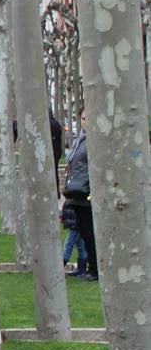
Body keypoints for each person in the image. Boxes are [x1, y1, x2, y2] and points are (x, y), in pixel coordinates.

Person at [62, 110, 98, 281]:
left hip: (87, 192)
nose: (86, 122)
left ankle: (95, 268)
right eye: (83, 118)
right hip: (76, 193)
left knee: (89, 233)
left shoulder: (94, 141)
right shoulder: (79, 141)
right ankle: (89, 266)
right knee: (82, 233)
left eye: (88, 118)